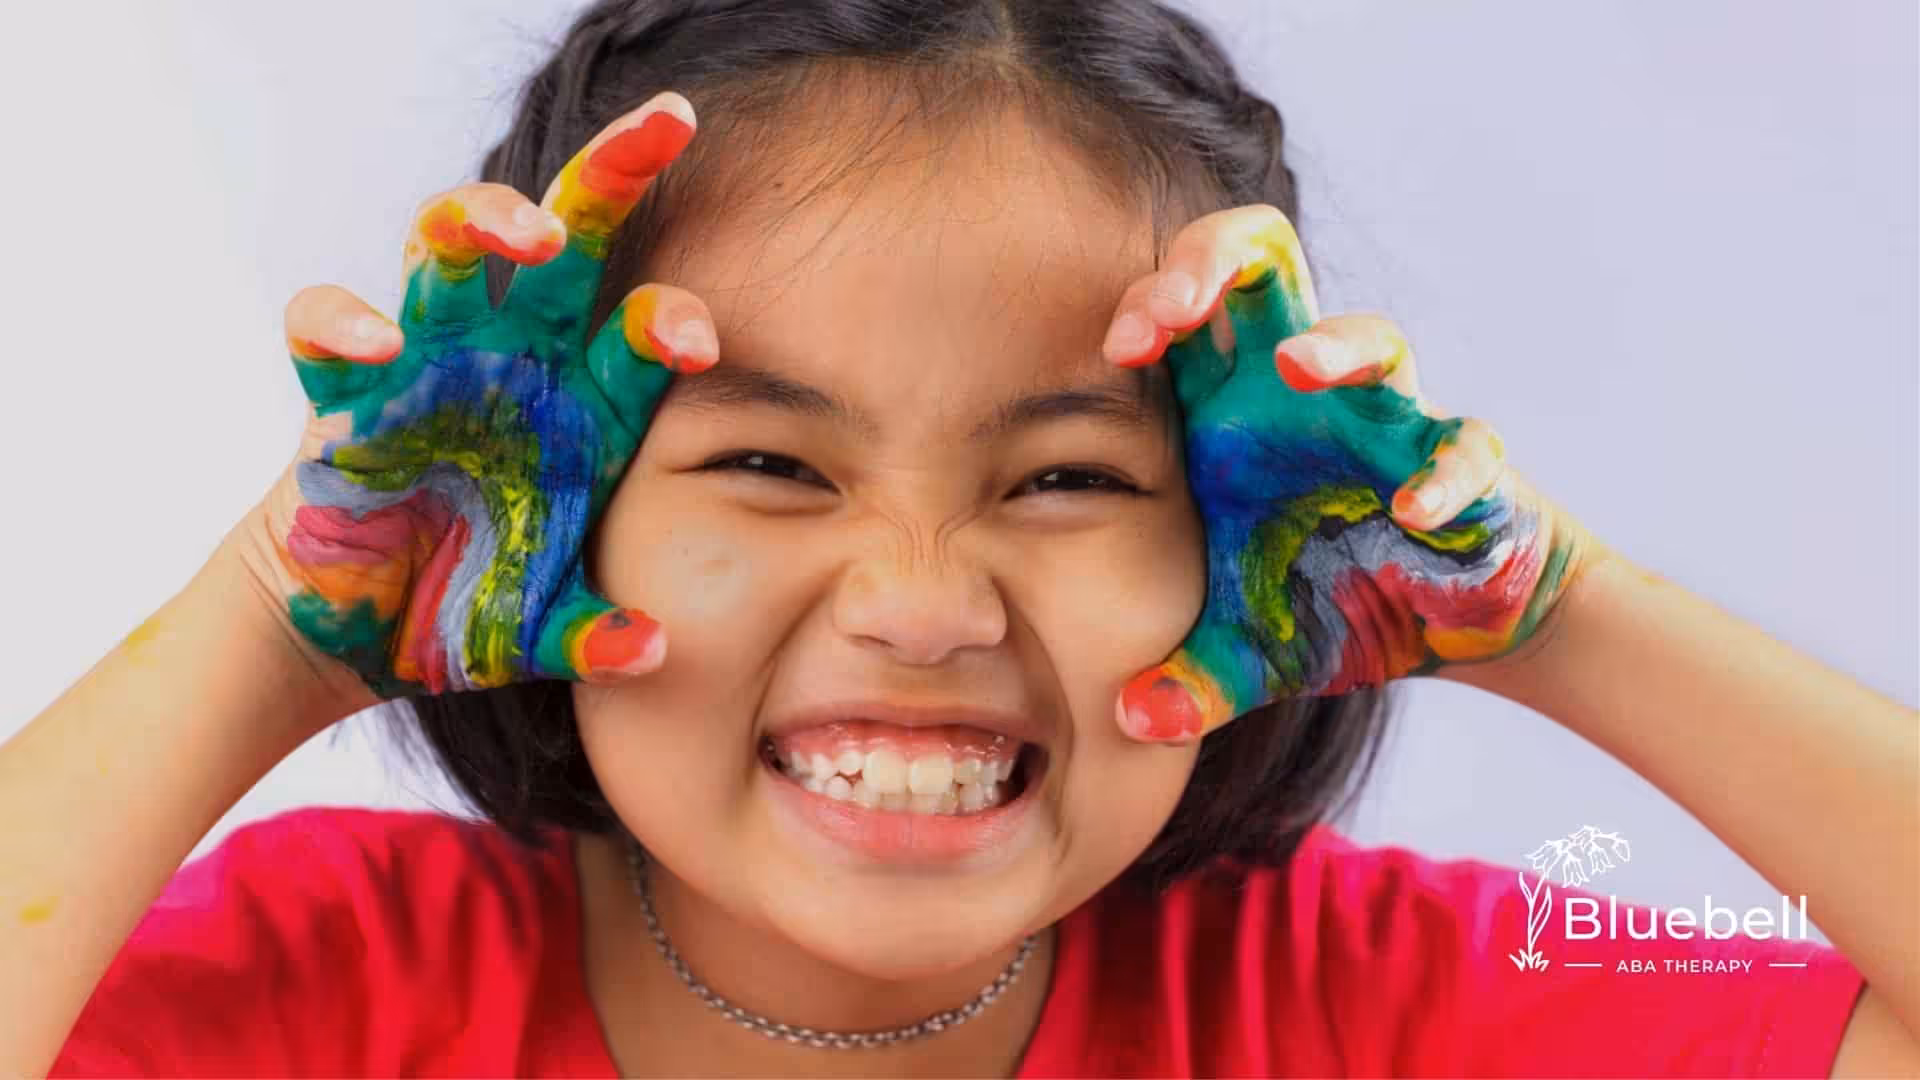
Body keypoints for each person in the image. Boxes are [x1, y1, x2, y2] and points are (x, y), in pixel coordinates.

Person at [4, 1, 1914, 1076]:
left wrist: (1544, 608)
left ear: (1252, 540)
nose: (922, 607)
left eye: (1070, 480)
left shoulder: (1366, 1000)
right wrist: (280, 616)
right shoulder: (326, 983)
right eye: (771, 464)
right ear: (548, 520)